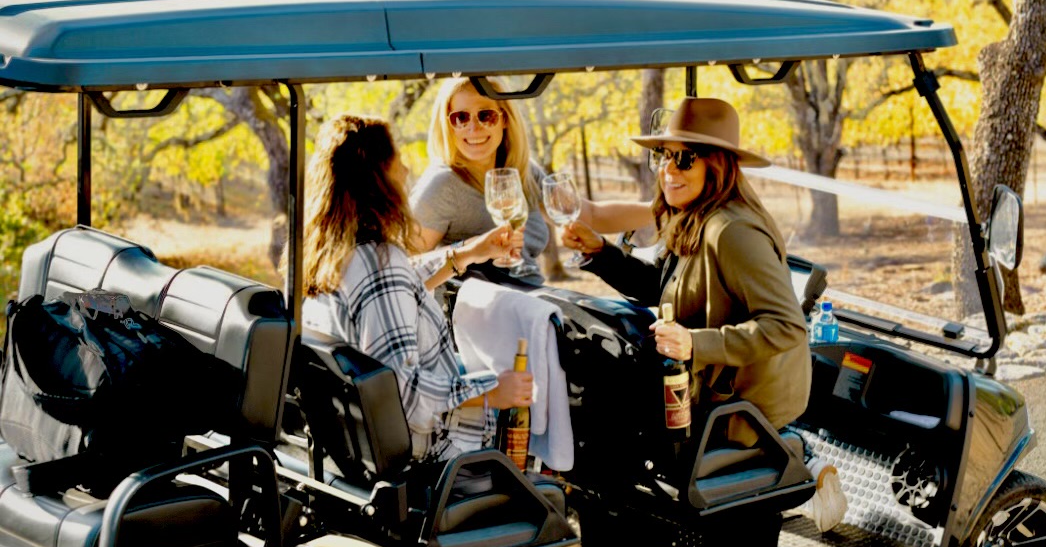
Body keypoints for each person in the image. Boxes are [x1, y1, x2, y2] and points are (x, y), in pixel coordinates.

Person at [562, 97, 812, 439]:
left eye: (685, 158)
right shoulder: (695, 216)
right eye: (665, 155)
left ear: (716, 165)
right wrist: (600, 252)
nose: (669, 169)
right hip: (696, 383)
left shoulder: (732, 231)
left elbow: (787, 326)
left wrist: (694, 344)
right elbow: (662, 287)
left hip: (737, 411)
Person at [301, 114, 533, 464]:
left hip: (351, 444)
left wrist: (468, 253)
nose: (407, 171)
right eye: (398, 161)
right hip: (431, 456)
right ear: (378, 175)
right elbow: (402, 393)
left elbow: (395, 286)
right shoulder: (381, 264)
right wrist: (493, 390)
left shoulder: (333, 254)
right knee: (536, 403)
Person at [410, 77, 549, 284]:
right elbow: (405, 265)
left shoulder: (522, 171)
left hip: (536, 303)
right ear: (448, 125)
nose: (473, 128)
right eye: (460, 118)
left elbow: (585, 214)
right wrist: (470, 248)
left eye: (486, 116)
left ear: (504, 119)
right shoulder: (441, 184)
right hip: (477, 311)